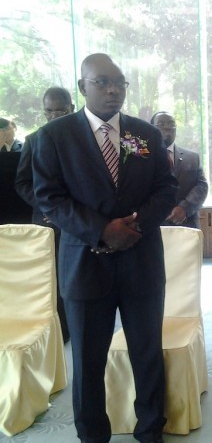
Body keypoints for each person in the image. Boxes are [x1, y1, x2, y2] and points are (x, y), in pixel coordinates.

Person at [31, 53, 177, 443]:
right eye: (102, 82)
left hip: (141, 261)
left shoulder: (145, 134)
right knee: (89, 361)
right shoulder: (54, 137)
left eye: (120, 82)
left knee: (147, 356)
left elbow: (166, 188)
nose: (113, 90)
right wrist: (101, 230)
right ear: (83, 87)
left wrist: (135, 226)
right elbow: (50, 199)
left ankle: (151, 432)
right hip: (85, 264)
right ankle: (93, 436)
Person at [15, 86, 75, 342]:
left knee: (75, 279)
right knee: (50, 281)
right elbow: (23, 183)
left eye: (59, 110)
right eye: (48, 111)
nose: (53, 116)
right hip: (47, 223)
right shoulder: (33, 139)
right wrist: (47, 207)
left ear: (71, 108)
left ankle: (76, 326)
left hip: (80, 222)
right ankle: (58, 333)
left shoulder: (84, 138)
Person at [150, 111, 208, 227]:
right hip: (153, 225)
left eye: (171, 123)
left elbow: (202, 186)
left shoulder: (192, 158)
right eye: (161, 124)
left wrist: (184, 208)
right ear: (152, 128)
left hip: (187, 223)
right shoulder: (142, 157)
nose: (167, 127)